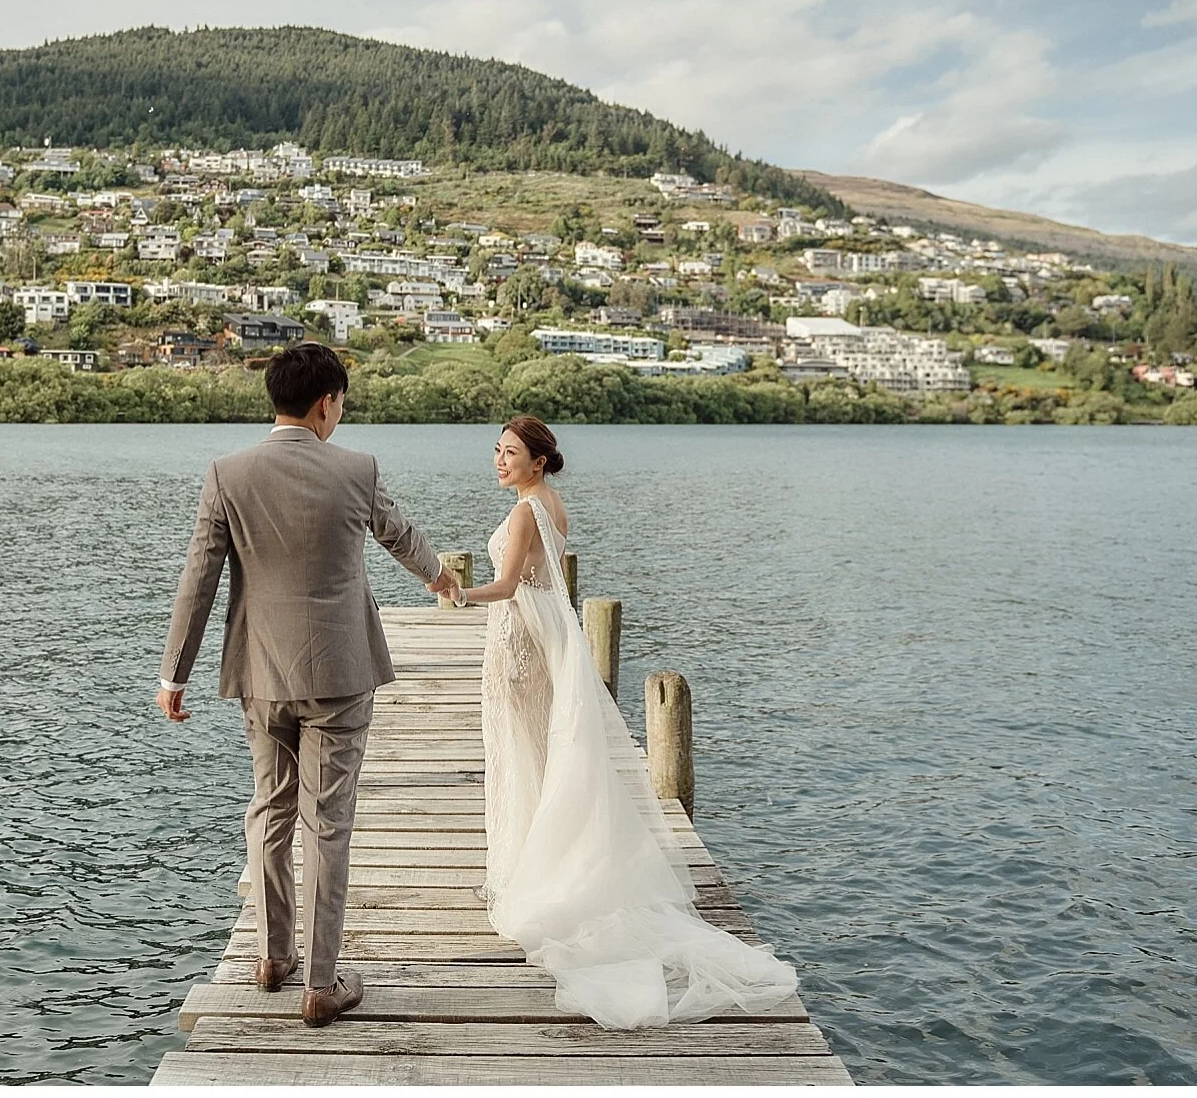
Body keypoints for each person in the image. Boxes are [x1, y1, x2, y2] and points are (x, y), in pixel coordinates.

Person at [453, 416, 802, 1029]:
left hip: (519, 644)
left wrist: (456, 592)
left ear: (538, 461)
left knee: (521, 752)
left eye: (511, 453)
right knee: (541, 753)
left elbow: (508, 585)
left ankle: (532, 869)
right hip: (546, 639)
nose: (499, 461)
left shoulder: (522, 513)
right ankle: (546, 858)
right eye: (497, 451)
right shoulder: (552, 506)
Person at [158, 342, 461, 1027]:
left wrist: (173, 673)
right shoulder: (356, 469)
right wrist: (439, 576)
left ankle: (272, 957)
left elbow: (198, 580)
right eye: (341, 403)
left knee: (271, 809)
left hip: (260, 675)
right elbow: (399, 535)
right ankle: (321, 984)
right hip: (341, 673)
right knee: (328, 823)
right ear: (326, 402)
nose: (340, 415)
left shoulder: (227, 474)